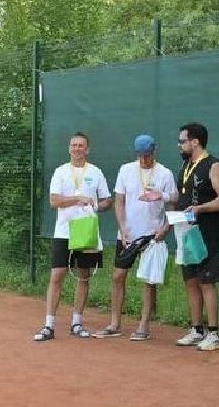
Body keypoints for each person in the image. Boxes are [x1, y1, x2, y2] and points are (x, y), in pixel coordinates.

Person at [34, 132, 113, 340]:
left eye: (81, 145)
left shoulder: (96, 172)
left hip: (87, 231)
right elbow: (54, 201)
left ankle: (77, 323)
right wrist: (77, 199)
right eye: (73, 145)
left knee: (83, 276)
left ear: (87, 149)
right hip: (64, 232)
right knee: (57, 276)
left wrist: (95, 204)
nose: (77, 148)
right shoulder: (60, 172)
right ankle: (49, 325)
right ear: (69, 148)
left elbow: (107, 201)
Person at [103, 133, 177, 340]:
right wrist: (123, 228)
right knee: (117, 276)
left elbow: (173, 203)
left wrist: (165, 229)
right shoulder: (126, 170)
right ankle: (115, 323)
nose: (144, 159)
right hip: (127, 235)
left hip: (152, 236)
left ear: (154, 151)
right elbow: (119, 201)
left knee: (148, 281)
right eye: (141, 155)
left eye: (147, 155)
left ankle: (144, 324)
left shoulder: (165, 173)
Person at [173, 122, 219, 351]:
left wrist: (200, 208)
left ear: (195, 142)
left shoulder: (213, 165)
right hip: (186, 232)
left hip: (207, 233)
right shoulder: (186, 166)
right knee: (190, 281)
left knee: (206, 282)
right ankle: (197, 329)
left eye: (182, 141)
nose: (179, 145)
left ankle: (214, 333)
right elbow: (184, 197)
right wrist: (161, 195)